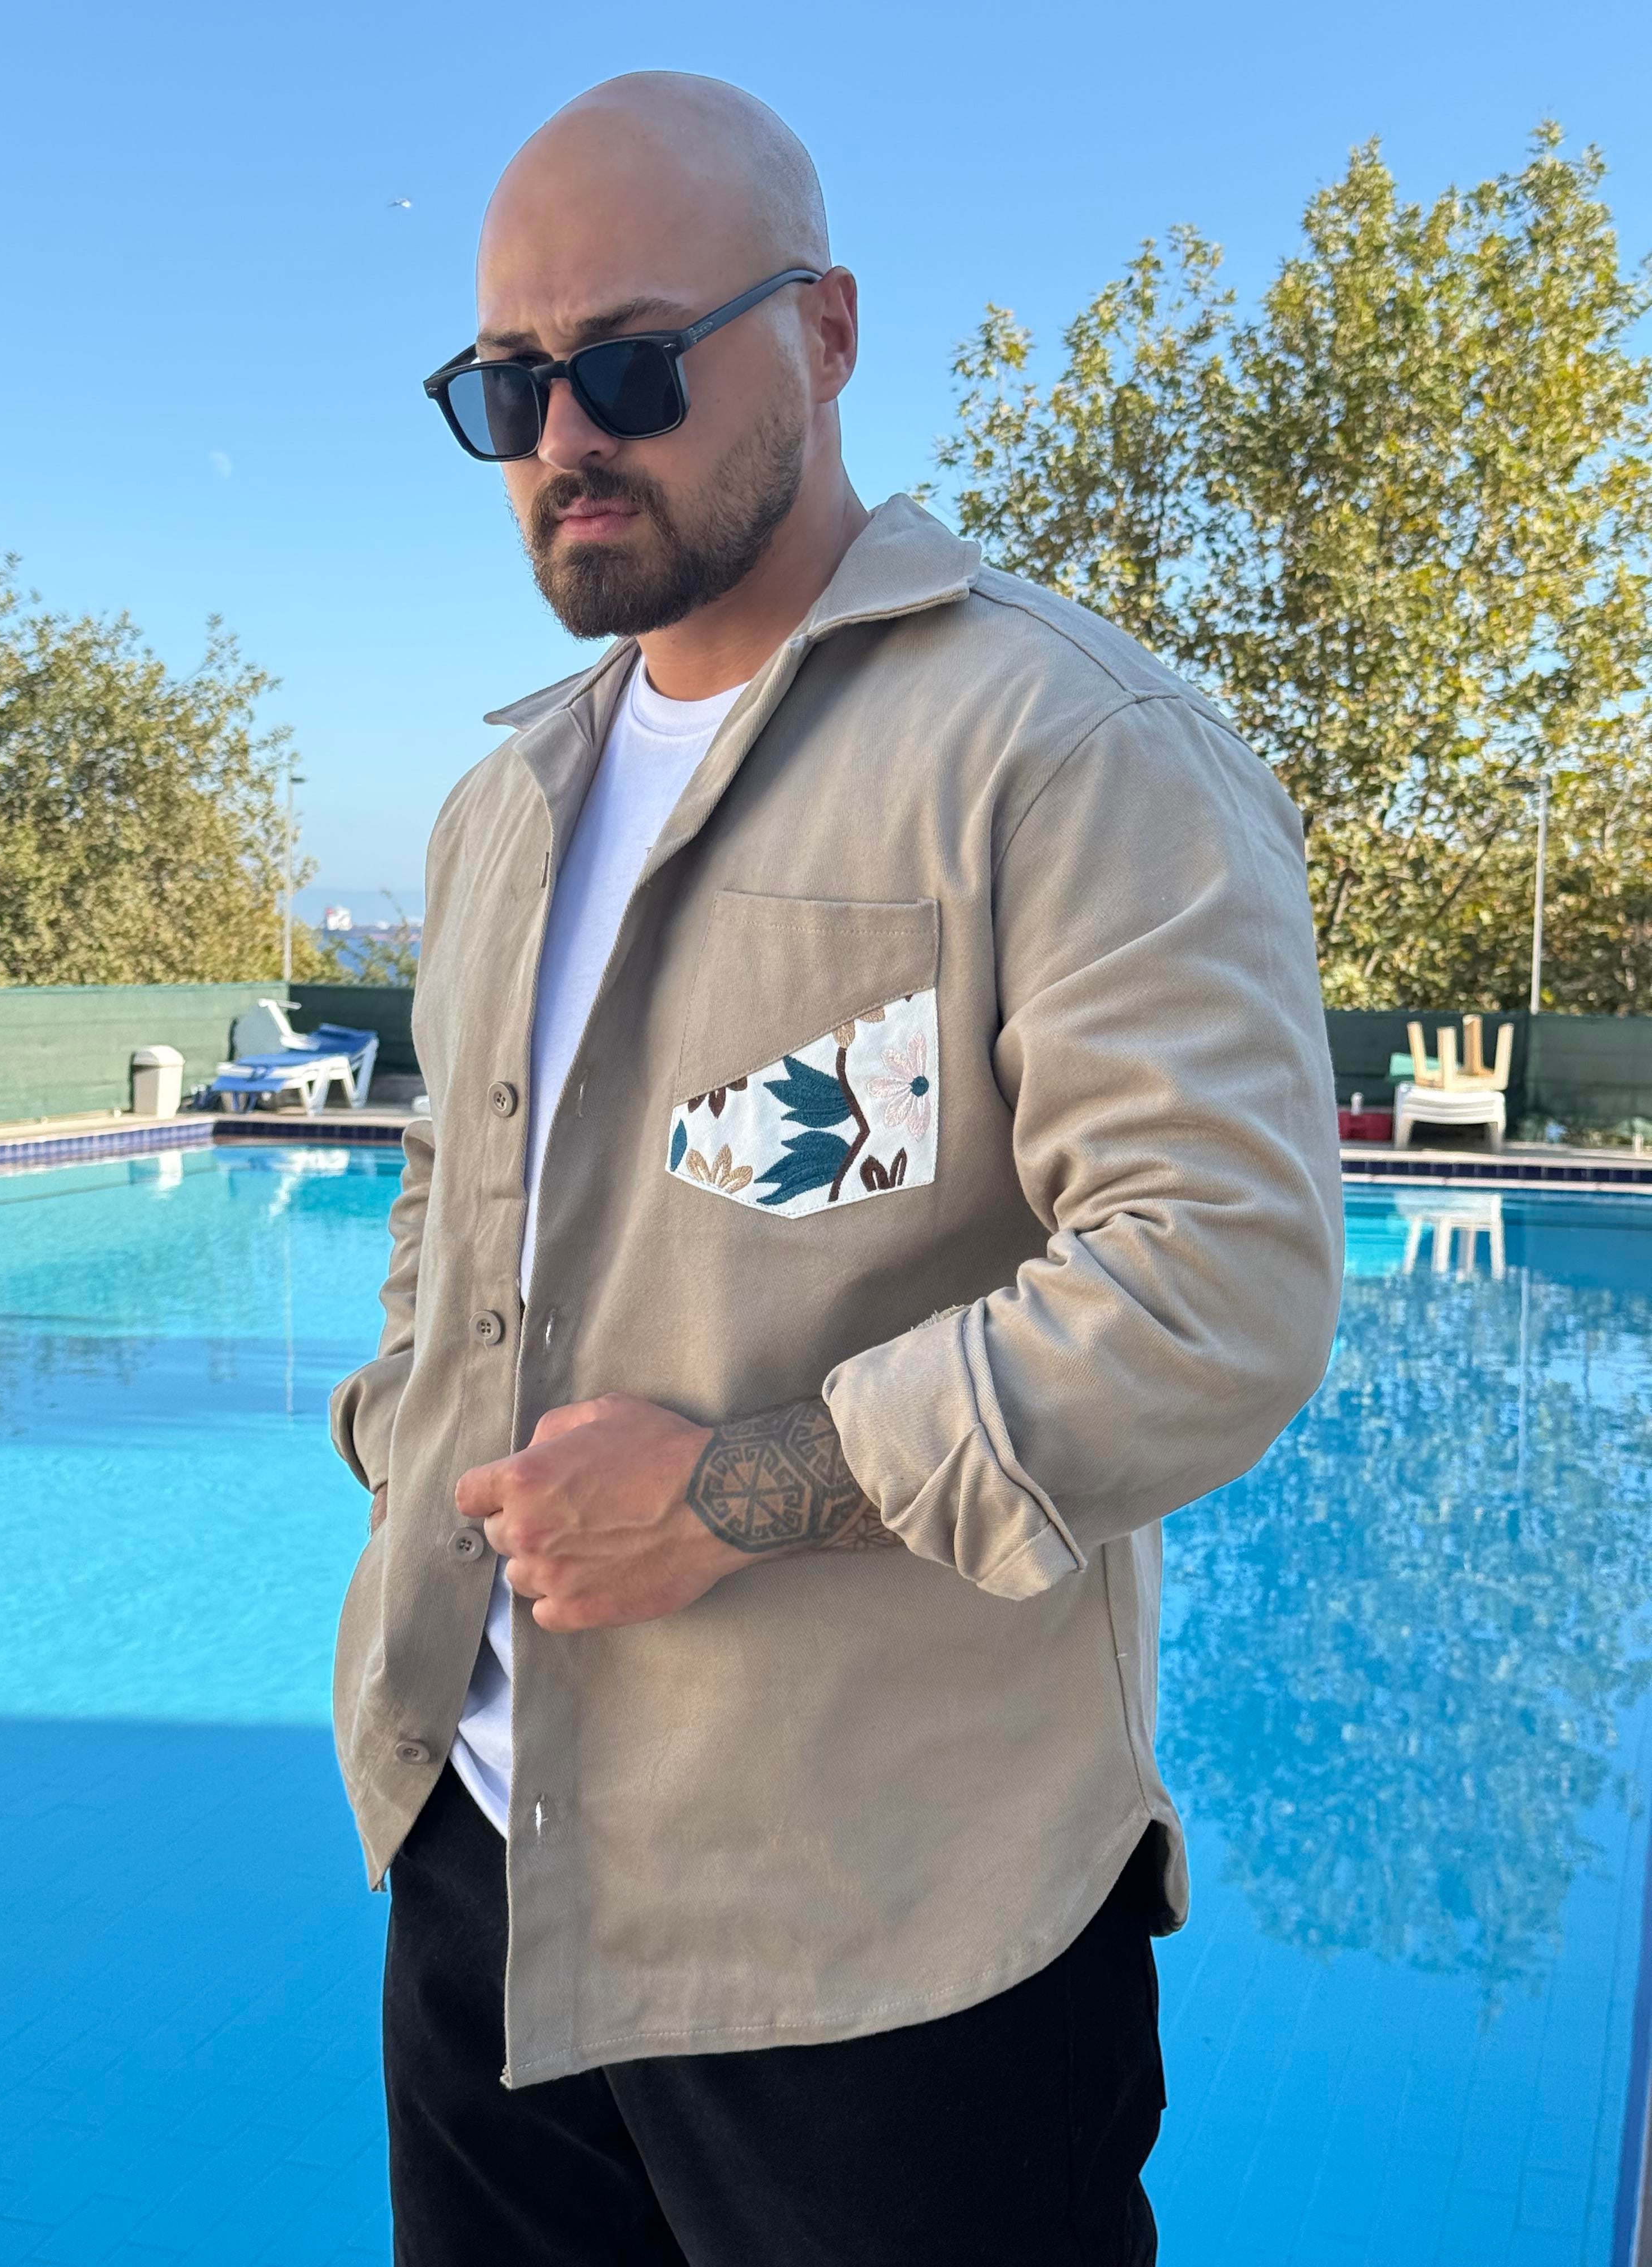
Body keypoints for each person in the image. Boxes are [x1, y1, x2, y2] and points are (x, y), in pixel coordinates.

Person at [330, 70, 1343, 2267]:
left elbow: (1220, 1285)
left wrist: (728, 1494)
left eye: (629, 364)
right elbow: (446, 1194)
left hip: (887, 1945)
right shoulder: (500, 812)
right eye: (508, 387)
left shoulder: (1068, 748)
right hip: (490, 1867)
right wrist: (400, 1438)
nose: (565, 437)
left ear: (828, 330)